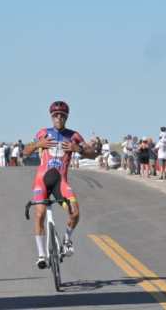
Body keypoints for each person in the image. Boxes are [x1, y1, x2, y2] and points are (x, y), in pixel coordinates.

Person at [28, 101, 101, 269]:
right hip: (42, 181)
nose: (59, 118)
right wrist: (38, 145)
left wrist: (78, 149)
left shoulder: (74, 135)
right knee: (39, 214)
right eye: (56, 115)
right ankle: (41, 255)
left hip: (60, 182)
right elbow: (25, 151)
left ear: (66, 117)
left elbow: (93, 154)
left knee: (75, 213)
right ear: (51, 117)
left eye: (62, 115)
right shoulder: (43, 133)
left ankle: (67, 240)